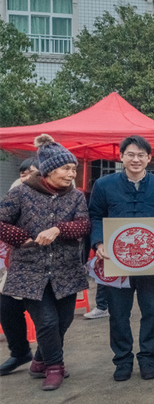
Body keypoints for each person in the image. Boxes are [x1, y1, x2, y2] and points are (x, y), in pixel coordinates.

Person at [0, 134, 90, 390]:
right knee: (47, 321)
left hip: (66, 270)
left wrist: (59, 229)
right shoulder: (21, 193)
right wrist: (24, 239)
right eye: (66, 168)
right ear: (49, 170)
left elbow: (83, 225)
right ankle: (54, 367)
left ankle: (39, 360)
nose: (71, 174)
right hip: (30, 270)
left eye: (74, 169)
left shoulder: (76, 197)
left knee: (63, 321)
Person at [89, 135, 154, 382]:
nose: (135, 159)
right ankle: (122, 360)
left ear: (149, 158)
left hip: (152, 261)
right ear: (121, 157)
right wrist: (98, 242)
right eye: (130, 154)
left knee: (152, 311)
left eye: (141, 155)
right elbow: (95, 216)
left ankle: (147, 359)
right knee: (118, 313)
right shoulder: (104, 185)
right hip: (116, 261)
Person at [0, 158, 38, 375]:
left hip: (48, 264)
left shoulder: (60, 192)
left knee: (47, 316)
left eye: (30, 172)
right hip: (18, 262)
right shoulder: (15, 191)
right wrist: (21, 238)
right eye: (22, 173)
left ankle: (49, 358)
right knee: (7, 306)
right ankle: (20, 352)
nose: (25, 177)